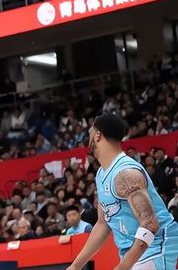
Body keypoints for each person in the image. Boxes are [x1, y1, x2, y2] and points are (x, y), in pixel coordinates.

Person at [67, 114, 178, 270]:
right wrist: (75, 266)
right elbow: (103, 224)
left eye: (90, 133)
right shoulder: (101, 174)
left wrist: (122, 267)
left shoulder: (125, 173)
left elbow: (150, 224)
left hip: (155, 245)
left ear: (98, 135)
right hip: (133, 251)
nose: (88, 137)